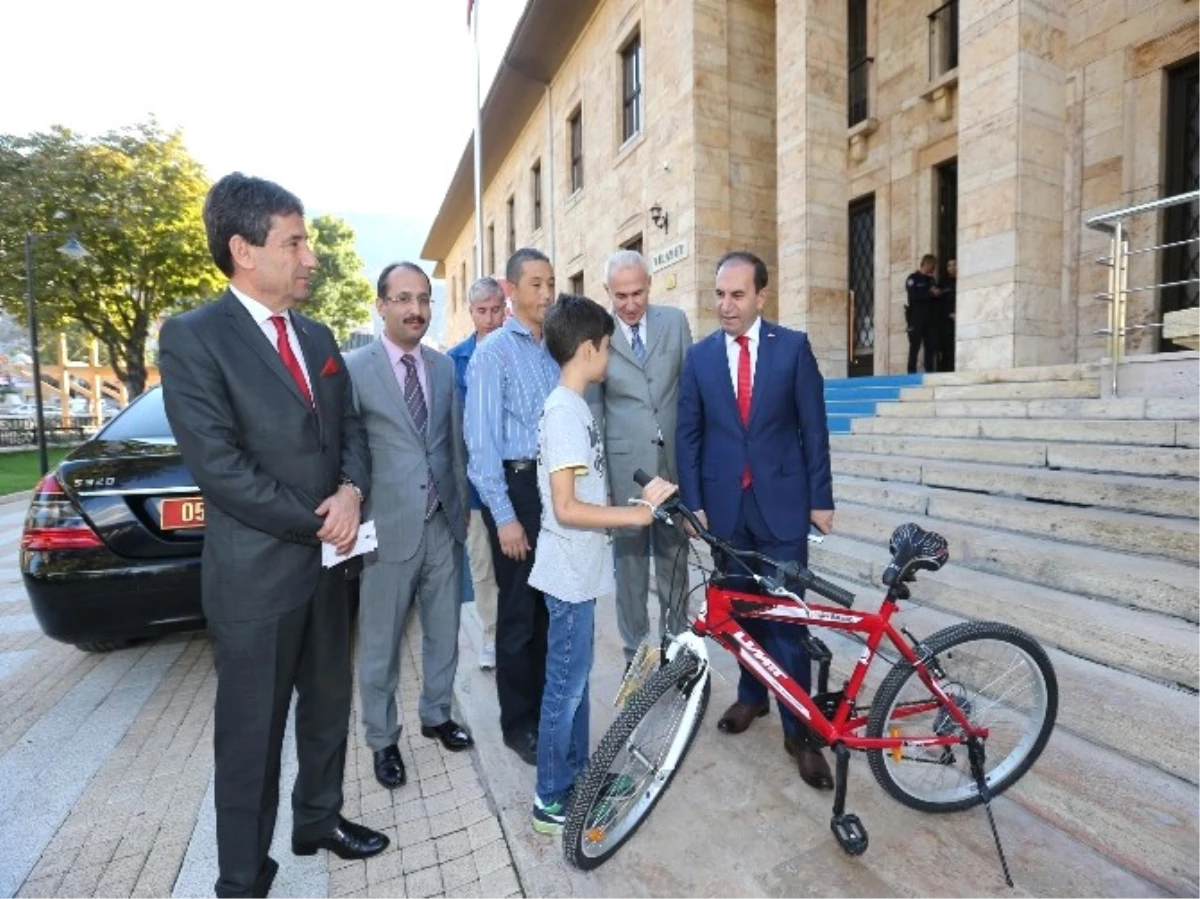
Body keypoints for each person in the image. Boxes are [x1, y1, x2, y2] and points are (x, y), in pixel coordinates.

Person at [158, 173, 387, 898]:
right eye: (295, 241)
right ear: (244, 250)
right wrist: (324, 515)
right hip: (257, 580)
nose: (310, 256)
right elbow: (221, 468)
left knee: (326, 706)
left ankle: (317, 818)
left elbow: (350, 427)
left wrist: (351, 489)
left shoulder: (318, 335)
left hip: (329, 565)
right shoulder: (193, 338)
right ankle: (241, 877)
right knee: (251, 737)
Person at [675, 250, 835, 791]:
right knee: (739, 618)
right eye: (719, 294)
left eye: (737, 294)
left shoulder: (791, 349)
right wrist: (694, 504)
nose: (726, 305)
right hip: (725, 513)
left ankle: (802, 732)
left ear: (760, 296)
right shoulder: (698, 359)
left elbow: (814, 428)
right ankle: (751, 698)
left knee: (788, 622)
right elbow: (689, 436)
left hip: (783, 508)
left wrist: (821, 499)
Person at [528, 293, 677, 834]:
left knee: (576, 681)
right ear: (588, 349)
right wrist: (635, 517)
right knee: (563, 689)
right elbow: (567, 508)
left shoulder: (575, 406)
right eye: (608, 348)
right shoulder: (564, 412)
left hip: (580, 569)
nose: (611, 358)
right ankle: (550, 796)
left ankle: (578, 776)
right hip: (567, 572)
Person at [346, 262, 473, 792]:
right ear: (381, 305)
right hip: (388, 530)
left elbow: (452, 444)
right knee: (380, 645)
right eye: (403, 299)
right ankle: (382, 740)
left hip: (442, 523)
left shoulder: (443, 369)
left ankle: (437, 714)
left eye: (423, 299)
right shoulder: (353, 369)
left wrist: (462, 512)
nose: (416, 309)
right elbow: (347, 451)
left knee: (444, 633)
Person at [464, 248, 560, 765]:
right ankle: (516, 722)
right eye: (536, 285)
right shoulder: (494, 353)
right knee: (518, 615)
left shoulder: (554, 347)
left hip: (555, 492)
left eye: (551, 284)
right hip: (517, 491)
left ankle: (546, 707)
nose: (546, 294)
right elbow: (480, 448)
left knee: (548, 610)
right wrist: (504, 517)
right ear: (512, 290)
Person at [589, 249, 693, 664]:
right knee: (630, 572)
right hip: (625, 474)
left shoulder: (675, 322)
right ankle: (636, 655)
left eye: (637, 293)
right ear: (607, 293)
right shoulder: (597, 334)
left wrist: (693, 474)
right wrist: (603, 488)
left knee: (675, 564)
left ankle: (678, 650)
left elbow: (689, 397)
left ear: (649, 285)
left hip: (672, 471)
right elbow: (595, 412)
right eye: (620, 296)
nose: (630, 305)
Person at [448, 278, 507, 669]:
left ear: (506, 309)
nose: (488, 318)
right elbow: (453, 432)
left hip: (517, 481)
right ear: (471, 313)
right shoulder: (454, 362)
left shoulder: (521, 352)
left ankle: (520, 634)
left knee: (518, 564)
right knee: (483, 565)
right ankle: (491, 634)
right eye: (481, 311)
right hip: (474, 487)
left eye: (495, 310)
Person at [905, 253, 942, 374]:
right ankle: (911, 372)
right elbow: (914, 296)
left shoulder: (931, 280)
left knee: (930, 346)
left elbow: (936, 297)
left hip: (930, 318)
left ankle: (929, 371)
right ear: (926, 264)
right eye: (933, 265)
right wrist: (930, 294)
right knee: (914, 345)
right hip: (916, 317)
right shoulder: (913, 278)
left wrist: (937, 293)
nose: (934, 268)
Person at [937, 258, 957, 372]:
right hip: (946, 322)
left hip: (962, 320)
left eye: (954, 265)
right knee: (947, 350)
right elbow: (940, 303)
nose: (952, 268)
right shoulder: (943, 282)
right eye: (949, 265)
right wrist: (949, 314)